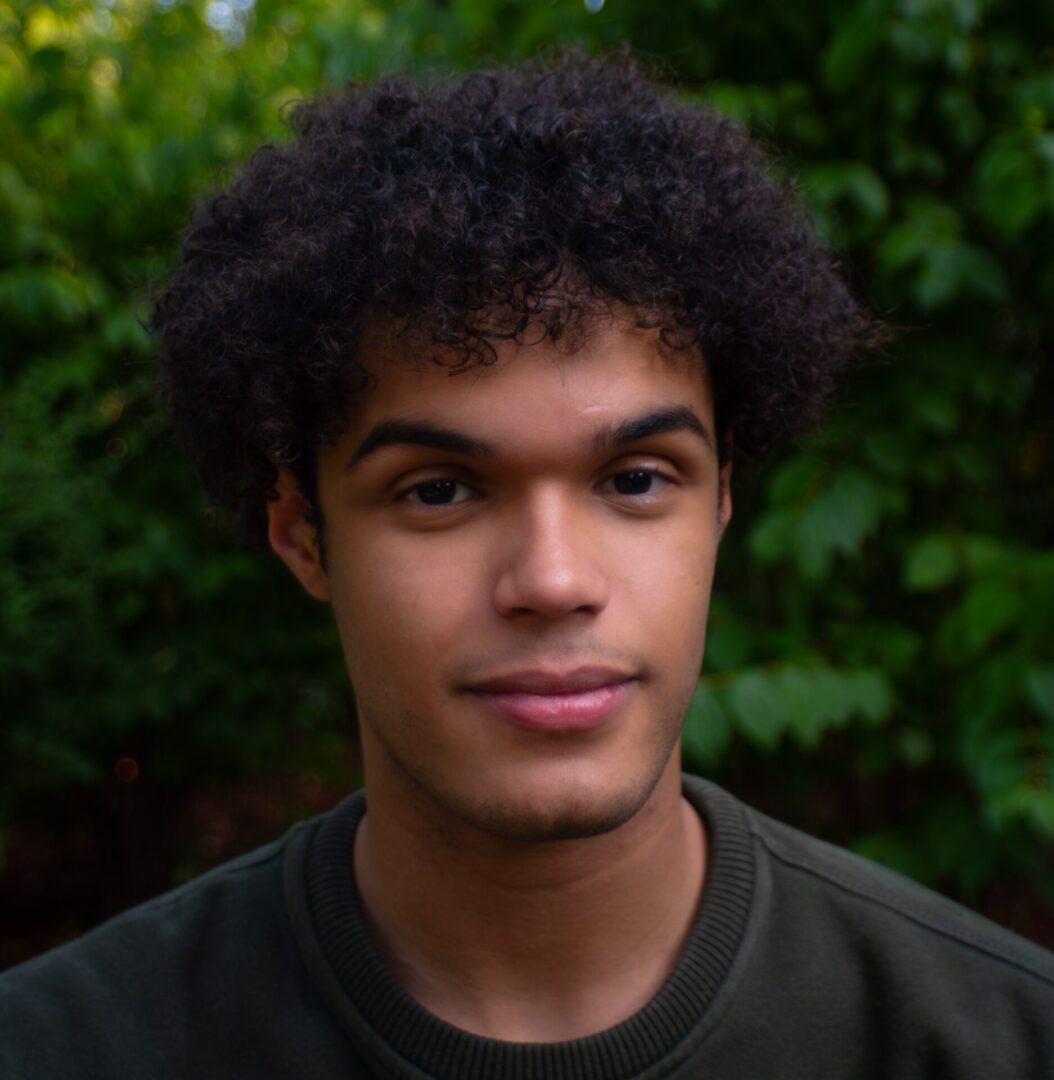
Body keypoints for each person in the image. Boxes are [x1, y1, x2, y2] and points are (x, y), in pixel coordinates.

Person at [1, 51, 1051, 1080]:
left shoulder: (1001, 1040)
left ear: (721, 501)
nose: (552, 582)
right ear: (302, 534)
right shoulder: (62, 1046)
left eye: (635, 479)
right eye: (440, 490)